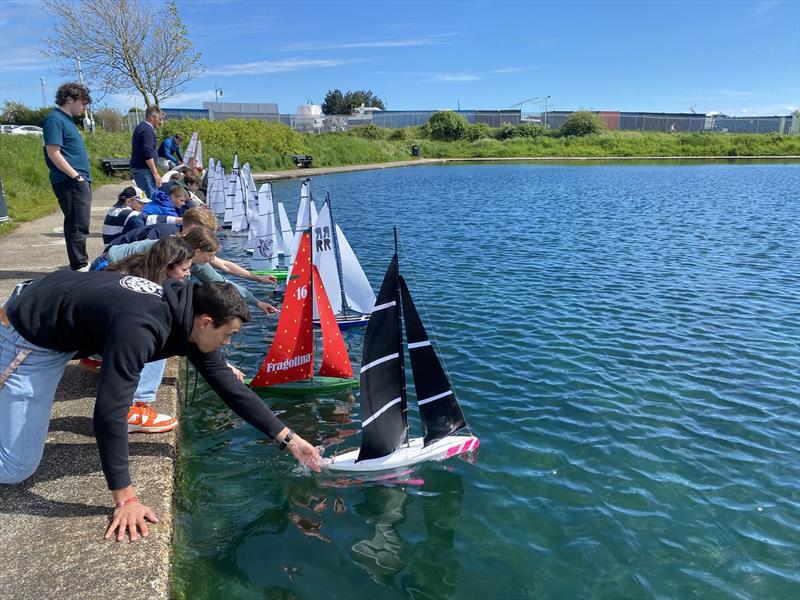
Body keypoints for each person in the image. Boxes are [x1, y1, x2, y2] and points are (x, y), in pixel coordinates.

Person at [0, 275, 322, 541]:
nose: (228, 344)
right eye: (228, 336)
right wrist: (125, 499)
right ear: (207, 322)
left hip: (58, 311)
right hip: (29, 336)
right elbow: (110, 412)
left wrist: (289, 439)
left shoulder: (187, 315)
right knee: (16, 468)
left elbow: (231, 388)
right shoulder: (140, 329)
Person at [42, 82, 93, 271]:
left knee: (81, 222)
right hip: (70, 181)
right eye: (82, 102)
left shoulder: (68, 121)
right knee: (77, 224)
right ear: (69, 99)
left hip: (79, 179)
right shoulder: (54, 119)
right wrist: (76, 176)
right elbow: (53, 153)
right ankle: (79, 265)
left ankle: (81, 261)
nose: (84, 107)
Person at [101, 185, 180, 245]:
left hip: (111, 248)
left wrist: (179, 220)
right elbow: (142, 237)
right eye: (141, 203)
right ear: (128, 202)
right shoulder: (131, 215)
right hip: (116, 253)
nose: (143, 206)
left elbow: (149, 219)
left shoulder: (114, 209)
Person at [130, 106, 164, 198]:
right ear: (152, 117)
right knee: (149, 199)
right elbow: (147, 153)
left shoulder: (142, 127)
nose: (161, 122)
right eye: (159, 119)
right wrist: (155, 173)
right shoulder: (147, 130)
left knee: (145, 198)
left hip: (141, 170)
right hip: (144, 171)